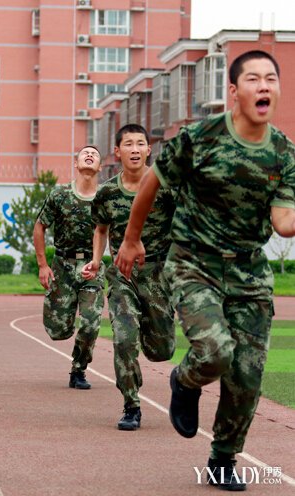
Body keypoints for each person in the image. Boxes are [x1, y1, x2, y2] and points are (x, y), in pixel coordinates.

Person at [117, 50, 295, 491]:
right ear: (234, 91)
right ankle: (185, 378)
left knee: (248, 375)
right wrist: (131, 238)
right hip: (194, 262)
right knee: (215, 350)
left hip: (250, 271)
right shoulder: (201, 138)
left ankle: (222, 458)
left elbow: (284, 223)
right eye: (253, 79)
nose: (264, 86)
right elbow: (152, 183)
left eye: (271, 78)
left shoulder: (284, 153)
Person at [82, 124, 175, 430]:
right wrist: (96, 261)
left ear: (149, 149)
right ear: (117, 152)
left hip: (160, 276)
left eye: (140, 144)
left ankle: (175, 373)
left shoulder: (166, 186)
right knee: (124, 340)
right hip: (123, 276)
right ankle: (131, 404)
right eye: (128, 144)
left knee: (162, 351)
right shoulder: (107, 192)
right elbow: (100, 229)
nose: (134, 149)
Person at [33, 145, 105, 389]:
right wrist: (43, 265)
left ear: (100, 166)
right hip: (62, 265)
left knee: (91, 322)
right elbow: (39, 227)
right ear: (76, 164)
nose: (89, 155)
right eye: (84, 153)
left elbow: (117, 233)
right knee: (58, 329)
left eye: (94, 154)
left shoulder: (106, 197)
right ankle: (61, 320)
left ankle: (78, 369)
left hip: (92, 266)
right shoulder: (60, 194)